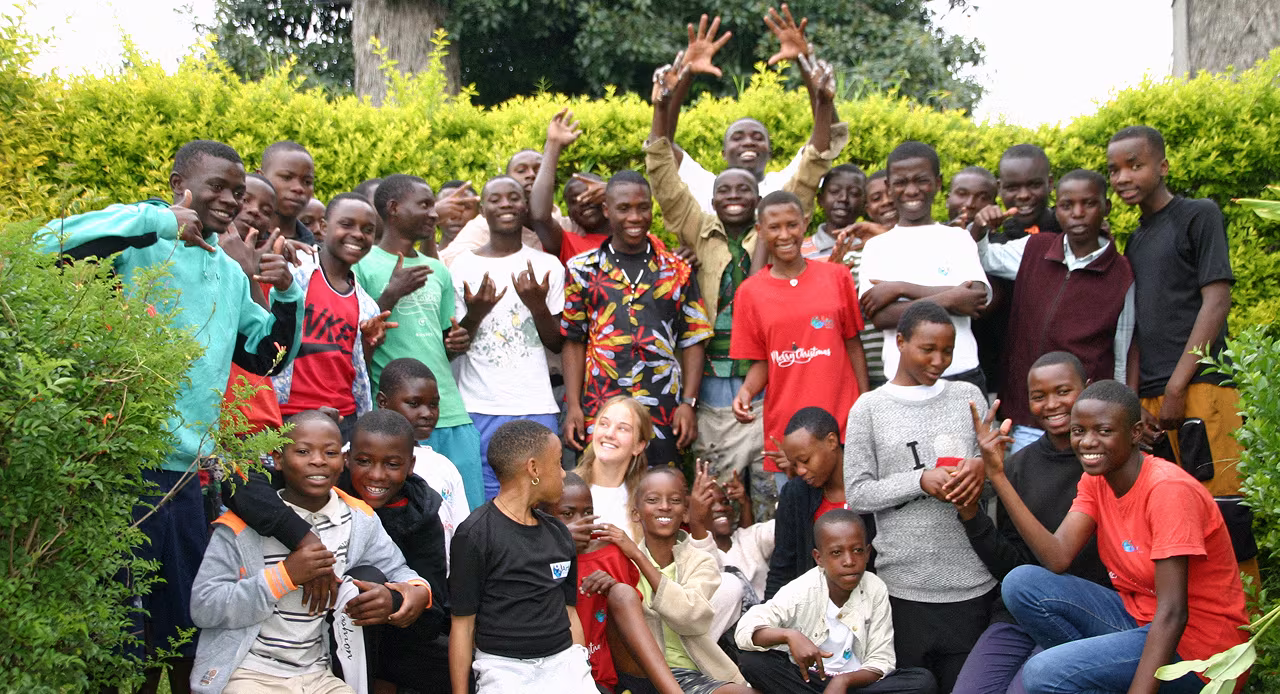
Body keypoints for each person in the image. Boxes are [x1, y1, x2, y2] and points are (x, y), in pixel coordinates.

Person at [40, 139, 303, 693]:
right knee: (117, 635)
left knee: (181, 629)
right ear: (178, 180)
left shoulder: (228, 273)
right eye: (218, 187)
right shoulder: (139, 242)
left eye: (239, 190)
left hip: (190, 477)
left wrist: (285, 296)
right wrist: (156, 221)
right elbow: (45, 245)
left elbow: (262, 356)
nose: (231, 200)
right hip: (122, 465)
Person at [977, 380, 1249, 693]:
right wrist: (997, 474)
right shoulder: (1098, 479)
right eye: (1079, 431)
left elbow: (1174, 613)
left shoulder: (1167, 491)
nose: (1088, 442)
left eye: (1103, 431)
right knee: (1021, 584)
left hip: (1200, 653)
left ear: (1135, 433)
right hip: (1139, 620)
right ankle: (1096, 677)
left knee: (1042, 672)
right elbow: (1057, 556)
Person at [189, 411, 431, 694]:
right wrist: (285, 576)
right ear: (278, 458)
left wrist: (413, 591)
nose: (317, 460)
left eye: (329, 452)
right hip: (250, 672)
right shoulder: (243, 526)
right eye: (303, 451)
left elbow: (400, 571)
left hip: (317, 674)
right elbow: (204, 607)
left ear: (343, 461)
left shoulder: (357, 519)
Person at [646, 63, 777, 516]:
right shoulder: (697, 229)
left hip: (767, 379)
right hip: (713, 381)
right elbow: (662, 172)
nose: (734, 194)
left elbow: (814, 161)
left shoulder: (775, 232)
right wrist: (664, 104)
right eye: (724, 189)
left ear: (760, 198)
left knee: (767, 498)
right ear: (713, 198)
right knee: (715, 496)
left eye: (745, 188)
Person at [843, 301, 994, 694]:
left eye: (947, 350)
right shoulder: (869, 409)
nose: (939, 360)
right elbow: (858, 493)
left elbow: (992, 479)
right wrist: (919, 480)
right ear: (900, 341)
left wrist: (984, 468)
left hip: (971, 584)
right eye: (928, 349)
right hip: (902, 590)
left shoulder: (968, 395)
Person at [949, 352, 1111, 694]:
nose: (1052, 404)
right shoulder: (1018, 466)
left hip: (1082, 613)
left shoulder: (1108, 461)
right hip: (1019, 612)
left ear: (1088, 389)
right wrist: (968, 512)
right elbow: (1013, 565)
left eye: (1063, 391)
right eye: (1039, 396)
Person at [1108, 126, 1248, 512]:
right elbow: (1134, 324)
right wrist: (1137, 403)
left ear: (1163, 166)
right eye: (1114, 170)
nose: (1122, 178)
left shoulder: (1198, 215)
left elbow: (1217, 301)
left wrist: (1176, 387)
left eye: (1135, 165)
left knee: (1223, 509)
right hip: (1153, 404)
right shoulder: (1135, 239)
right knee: (1175, 515)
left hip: (1200, 388)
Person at [561, 170, 713, 467]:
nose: (634, 216)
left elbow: (693, 338)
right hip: (600, 407)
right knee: (600, 490)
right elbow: (574, 340)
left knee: (660, 491)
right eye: (624, 208)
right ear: (607, 210)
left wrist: (688, 404)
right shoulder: (582, 269)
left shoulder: (677, 269)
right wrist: (574, 407)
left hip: (663, 409)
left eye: (642, 207)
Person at [973, 170, 1134, 451]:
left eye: (1089, 203)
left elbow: (1121, 355)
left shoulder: (1121, 274)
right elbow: (982, 257)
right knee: (1022, 490)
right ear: (1056, 209)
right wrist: (980, 227)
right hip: (1023, 416)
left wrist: (1121, 412)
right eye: (1067, 205)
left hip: (1084, 424)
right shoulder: (1035, 249)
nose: (1078, 213)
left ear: (1106, 207)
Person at [730, 191, 870, 493]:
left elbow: (852, 344)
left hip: (842, 423)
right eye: (774, 227)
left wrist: (865, 403)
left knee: (852, 517)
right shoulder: (749, 293)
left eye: (792, 225)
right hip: (789, 434)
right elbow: (762, 361)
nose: (784, 235)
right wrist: (746, 390)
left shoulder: (837, 276)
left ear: (805, 223)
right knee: (799, 521)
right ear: (760, 231)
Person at [359, 173, 482, 510]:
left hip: (450, 413)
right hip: (397, 419)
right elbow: (357, 339)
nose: (434, 214)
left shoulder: (437, 270)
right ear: (394, 208)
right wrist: (391, 293)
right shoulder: (362, 264)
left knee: (465, 512)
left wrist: (457, 338)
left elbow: (442, 343)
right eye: (425, 205)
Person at [448, 420, 596, 693]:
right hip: (503, 669)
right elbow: (463, 626)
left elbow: (569, 611)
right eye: (559, 463)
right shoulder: (474, 535)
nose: (564, 474)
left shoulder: (559, 534)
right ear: (534, 469)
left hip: (564, 662)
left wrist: (579, 664)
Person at [658, 9, 849, 214]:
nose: (748, 142)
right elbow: (661, 146)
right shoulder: (706, 185)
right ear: (723, 154)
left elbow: (824, 141)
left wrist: (805, 64)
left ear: (770, 151)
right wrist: (686, 75)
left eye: (757, 137)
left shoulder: (782, 186)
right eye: (737, 138)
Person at [451, 175, 566, 500]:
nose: (505, 204)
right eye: (496, 198)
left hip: (535, 403)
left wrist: (537, 306)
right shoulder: (461, 266)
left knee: (542, 496)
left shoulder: (548, 265)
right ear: (483, 210)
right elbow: (455, 345)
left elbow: (557, 342)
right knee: (484, 499)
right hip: (478, 405)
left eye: (513, 197)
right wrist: (476, 313)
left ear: (525, 206)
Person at [735, 510, 937, 694]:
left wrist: (844, 681)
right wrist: (789, 635)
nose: (849, 561)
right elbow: (746, 629)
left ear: (868, 553)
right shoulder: (802, 589)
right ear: (819, 557)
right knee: (752, 661)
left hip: (855, 685)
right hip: (808, 681)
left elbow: (881, 660)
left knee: (923, 681)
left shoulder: (875, 587)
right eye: (836, 553)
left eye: (857, 550)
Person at [593, 467, 752, 693]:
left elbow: (689, 617)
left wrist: (638, 556)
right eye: (653, 499)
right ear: (636, 513)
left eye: (675, 500)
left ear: (686, 513)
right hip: (642, 673)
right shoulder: (621, 561)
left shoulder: (701, 561)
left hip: (692, 672)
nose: (665, 506)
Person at [857, 142, 990, 390]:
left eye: (921, 180)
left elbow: (975, 298)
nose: (911, 190)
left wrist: (900, 288)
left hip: (961, 376)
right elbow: (882, 317)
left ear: (938, 183)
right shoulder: (877, 248)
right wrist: (951, 297)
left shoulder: (958, 238)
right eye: (900, 182)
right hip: (902, 382)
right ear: (888, 187)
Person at [345, 409, 452, 693]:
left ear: (410, 465)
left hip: (400, 640)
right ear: (346, 459)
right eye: (364, 461)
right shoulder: (325, 492)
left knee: (466, 670)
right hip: (330, 638)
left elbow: (435, 609)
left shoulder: (421, 513)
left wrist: (401, 600)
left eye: (392, 464)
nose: (377, 475)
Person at [272, 193, 393, 441]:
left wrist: (370, 341)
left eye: (368, 229)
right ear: (324, 227)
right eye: (346, 224)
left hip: (342, 420)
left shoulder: (366, 305)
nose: (358, 234)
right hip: (286, 415)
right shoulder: (294, 272)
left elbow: (357, 368)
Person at [375, 357, 470, 560]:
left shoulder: (444, 466)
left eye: (433, 404)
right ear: (383, 402)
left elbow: (462, 534)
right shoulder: (359, 458)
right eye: (414, 403)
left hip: (437, 579)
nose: (427, 413)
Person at [806, 164, 889, 391]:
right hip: (828, 365)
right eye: (835, 192)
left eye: (854, 194)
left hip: (878, 362)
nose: (843, 199)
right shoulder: (802, 250)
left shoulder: (877, 244)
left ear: (864, 202)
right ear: (820, 199)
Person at [767, 407, 848, 599]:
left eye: (805, 460)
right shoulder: (795, 495)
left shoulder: (869, 486)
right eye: (794, 464)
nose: (800, 471)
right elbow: (782, 567)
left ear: (831, 441)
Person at [440, 149, 566, 265]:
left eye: (539, 171)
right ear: (507, 179)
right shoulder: (482, 226)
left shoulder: (565, 224)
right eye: (521, 171)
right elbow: (446, 264)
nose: (531, 175)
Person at [528, 110, 613, 263]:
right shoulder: (568, 244)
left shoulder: (643, 241)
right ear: (570, 214)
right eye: (575, 200)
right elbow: (540, 216)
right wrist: (553, 145)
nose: (584, 201)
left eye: (590, 194)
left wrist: (614, 191)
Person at [688, 467, 773, 602]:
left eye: (725, 502)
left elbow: (783, 525)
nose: (721, 508)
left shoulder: (750, 538)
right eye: (711, 504)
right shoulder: (692, 553)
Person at [574, 395, 654, 532]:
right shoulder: (564, 488)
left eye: (622, 428)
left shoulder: (646, 501)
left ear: (639, 446)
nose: (609, 434)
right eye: (604, 424)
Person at [970, 145, 1060, 243]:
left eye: (1034, 185)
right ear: (999, 188)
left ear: (1050, 184)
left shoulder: (1070, 233)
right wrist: (977, 231)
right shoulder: (997, 245)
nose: (1023, 195)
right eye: (1012, 188)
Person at [259, 140, 318, 244]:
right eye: (287, 177)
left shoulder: (317, 251)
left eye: (307, 182)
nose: (298, 188)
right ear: (261, 177)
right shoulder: (233, 239)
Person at [436, 179, 479, 252]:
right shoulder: (417, 255)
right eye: (447, 207)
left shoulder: (493, 257)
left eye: (465, 207)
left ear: (480, 211)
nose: (454, 216)